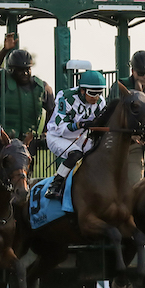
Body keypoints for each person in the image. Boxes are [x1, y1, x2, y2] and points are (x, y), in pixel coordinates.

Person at [43, 70, 108, 201]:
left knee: (100, 153)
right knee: (76, 154)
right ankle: (55, 185)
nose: (96, 97)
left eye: (99, 93)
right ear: (82, 90)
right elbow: (60, 127)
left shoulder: (100, 103)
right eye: (92, 93)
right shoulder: (65, 98)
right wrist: (79, 125)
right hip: (57, 136)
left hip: (80, 138)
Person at [0, 34, 56, 144]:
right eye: (20, 70)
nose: (25, 73)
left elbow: (52, 111)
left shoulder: (42, 87)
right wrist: (5, 50)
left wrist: (46, 131)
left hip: (29, 140)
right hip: (5, 140)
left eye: (27, 69)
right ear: (11, 69)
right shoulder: (3, 82)